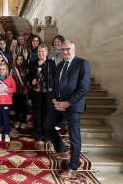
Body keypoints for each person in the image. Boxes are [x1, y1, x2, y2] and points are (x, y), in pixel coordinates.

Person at [43, 40, 90, 179]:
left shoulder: (82, 63)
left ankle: (73, 167)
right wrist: (55, 101)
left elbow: (84, 88)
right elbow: (55, 85)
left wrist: (68, 103)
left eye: (68, 49)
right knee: (48, 126)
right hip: (59, 105)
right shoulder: (60, 65)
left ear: (74, 49)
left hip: (73, 106)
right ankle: (62, 150)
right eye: (63, 49)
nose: (65, 52)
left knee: (74, 137)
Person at [28, 44, 56, 142]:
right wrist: (32, 81)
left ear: (46, 52)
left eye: (42, 51)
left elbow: (55, 77)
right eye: (39, 52)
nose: (40, 53)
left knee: (47, 113)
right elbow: (29, 76)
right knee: (37, 113)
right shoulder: (33, 63)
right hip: (36, 92)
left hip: (48, 92)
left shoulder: (51, 63)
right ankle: (38, 134)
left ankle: (47, 135)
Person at [0, 63, 16, 142]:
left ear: (6, 70)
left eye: (3, 69)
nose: (2, 70)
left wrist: (8, 90)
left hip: (7, 102)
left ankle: (7, 133)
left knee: (6, 118)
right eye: (0, 69)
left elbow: (14, 89)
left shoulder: (10, 79)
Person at [10, 54, 28, 129]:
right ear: (16, 60)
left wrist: (27, 89)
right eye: (18, 59)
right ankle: (17, 120)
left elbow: (28, 81)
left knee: (23, 107)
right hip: (16, 91)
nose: (19, 61)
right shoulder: (13, 70)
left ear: (23, 60)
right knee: (17, 107)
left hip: (23, 91)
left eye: (21, 59)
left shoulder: (26, 69)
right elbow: (10, 81)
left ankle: (23, 121)